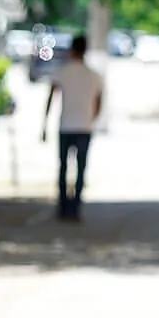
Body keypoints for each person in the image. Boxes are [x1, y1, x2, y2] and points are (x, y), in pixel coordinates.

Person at [40, 34, 103, 221]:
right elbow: (99, 102)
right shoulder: (94, 75)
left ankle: (63, 207)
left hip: (66, 126)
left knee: (63, 167)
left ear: (72, 50)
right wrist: (92, 119)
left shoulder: (62, 72)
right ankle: (75, 207)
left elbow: (51, 97)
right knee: (81, 169)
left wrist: (44, 123)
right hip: (84, 126)